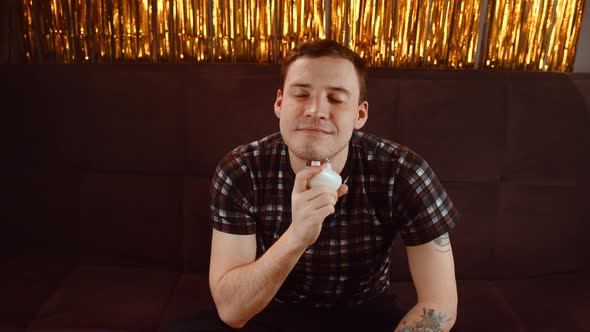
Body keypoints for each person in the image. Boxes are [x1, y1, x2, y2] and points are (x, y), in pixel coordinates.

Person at [160, 39, 460, 332]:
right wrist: (297, 237)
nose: (315, 110)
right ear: (280, 103)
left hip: (366, 314)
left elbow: (440, 304)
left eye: (336, 99)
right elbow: (232, 312)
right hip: (269, 308)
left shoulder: (403, 171)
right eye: (301, 94)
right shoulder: (240, 169)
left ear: (360, 114)